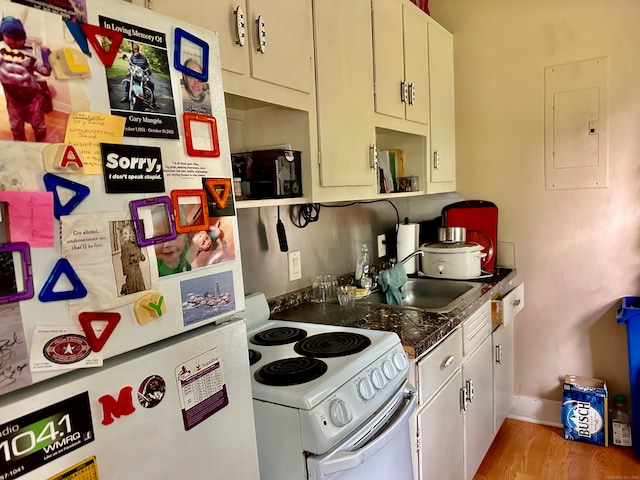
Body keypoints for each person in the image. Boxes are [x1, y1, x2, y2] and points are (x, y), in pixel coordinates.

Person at [0, 16, 52, 142]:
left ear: (23, 39)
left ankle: (41, 147)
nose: (12, 41)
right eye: (9, 36)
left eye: (16, 38)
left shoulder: (30, 56)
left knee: (38, 124)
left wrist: (45, 55)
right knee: (16, 127)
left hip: (32, 98)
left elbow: (45, 71)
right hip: (13, 100)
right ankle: (21, 150)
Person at [121, 42, 156, 108]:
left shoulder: (143, 58)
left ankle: (152, 101)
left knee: (151, 84)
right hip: (135, 74)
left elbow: (147, 67)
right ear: (133, 49)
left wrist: (148, 73)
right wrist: (129, 72)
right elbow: (130, 66)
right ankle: (126, 96)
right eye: (134, 49)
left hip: (142, 75)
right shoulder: (132, 57)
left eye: (137, 49)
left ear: (138, 49)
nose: (136, 50)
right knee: (128, 81)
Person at [119, 224, 146, 295]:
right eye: (122, 234)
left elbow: (125, 263)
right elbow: (143, 258)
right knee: (140, 293)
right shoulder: (135, 245)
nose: (123, 235)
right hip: (138, 272)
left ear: (130, 234)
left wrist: (124, 278)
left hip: (130, 274)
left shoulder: (124, 247)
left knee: (132, 293)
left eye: (125, 233)